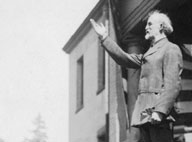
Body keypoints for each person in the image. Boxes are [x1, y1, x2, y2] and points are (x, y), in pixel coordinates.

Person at [90, 10, 183, 142]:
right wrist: (105, 38)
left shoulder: (171, 49)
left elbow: (172, 85)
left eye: (150, 24)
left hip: (158, 114)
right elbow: (125, 59)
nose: (146, 28)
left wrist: (160, 111)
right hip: (145, 114)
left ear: (161, 27)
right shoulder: (149, 53)